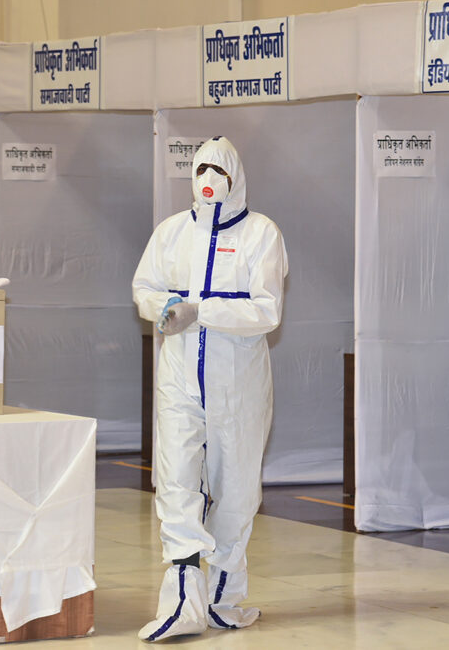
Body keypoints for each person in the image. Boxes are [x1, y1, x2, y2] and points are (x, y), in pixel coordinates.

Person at [131, 136, 288, 642]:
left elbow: (267, 310)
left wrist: (205, 311)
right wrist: (165, 308)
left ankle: (223, 597)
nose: (209, 179)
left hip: (237, 384)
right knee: (176, 478)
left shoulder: (262, 234)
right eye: (202, 168)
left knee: (236, 489)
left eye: (219, 170)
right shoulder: (172, 232)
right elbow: (144, 286)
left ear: (235, 175)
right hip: (178, 377)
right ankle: (181, 600)